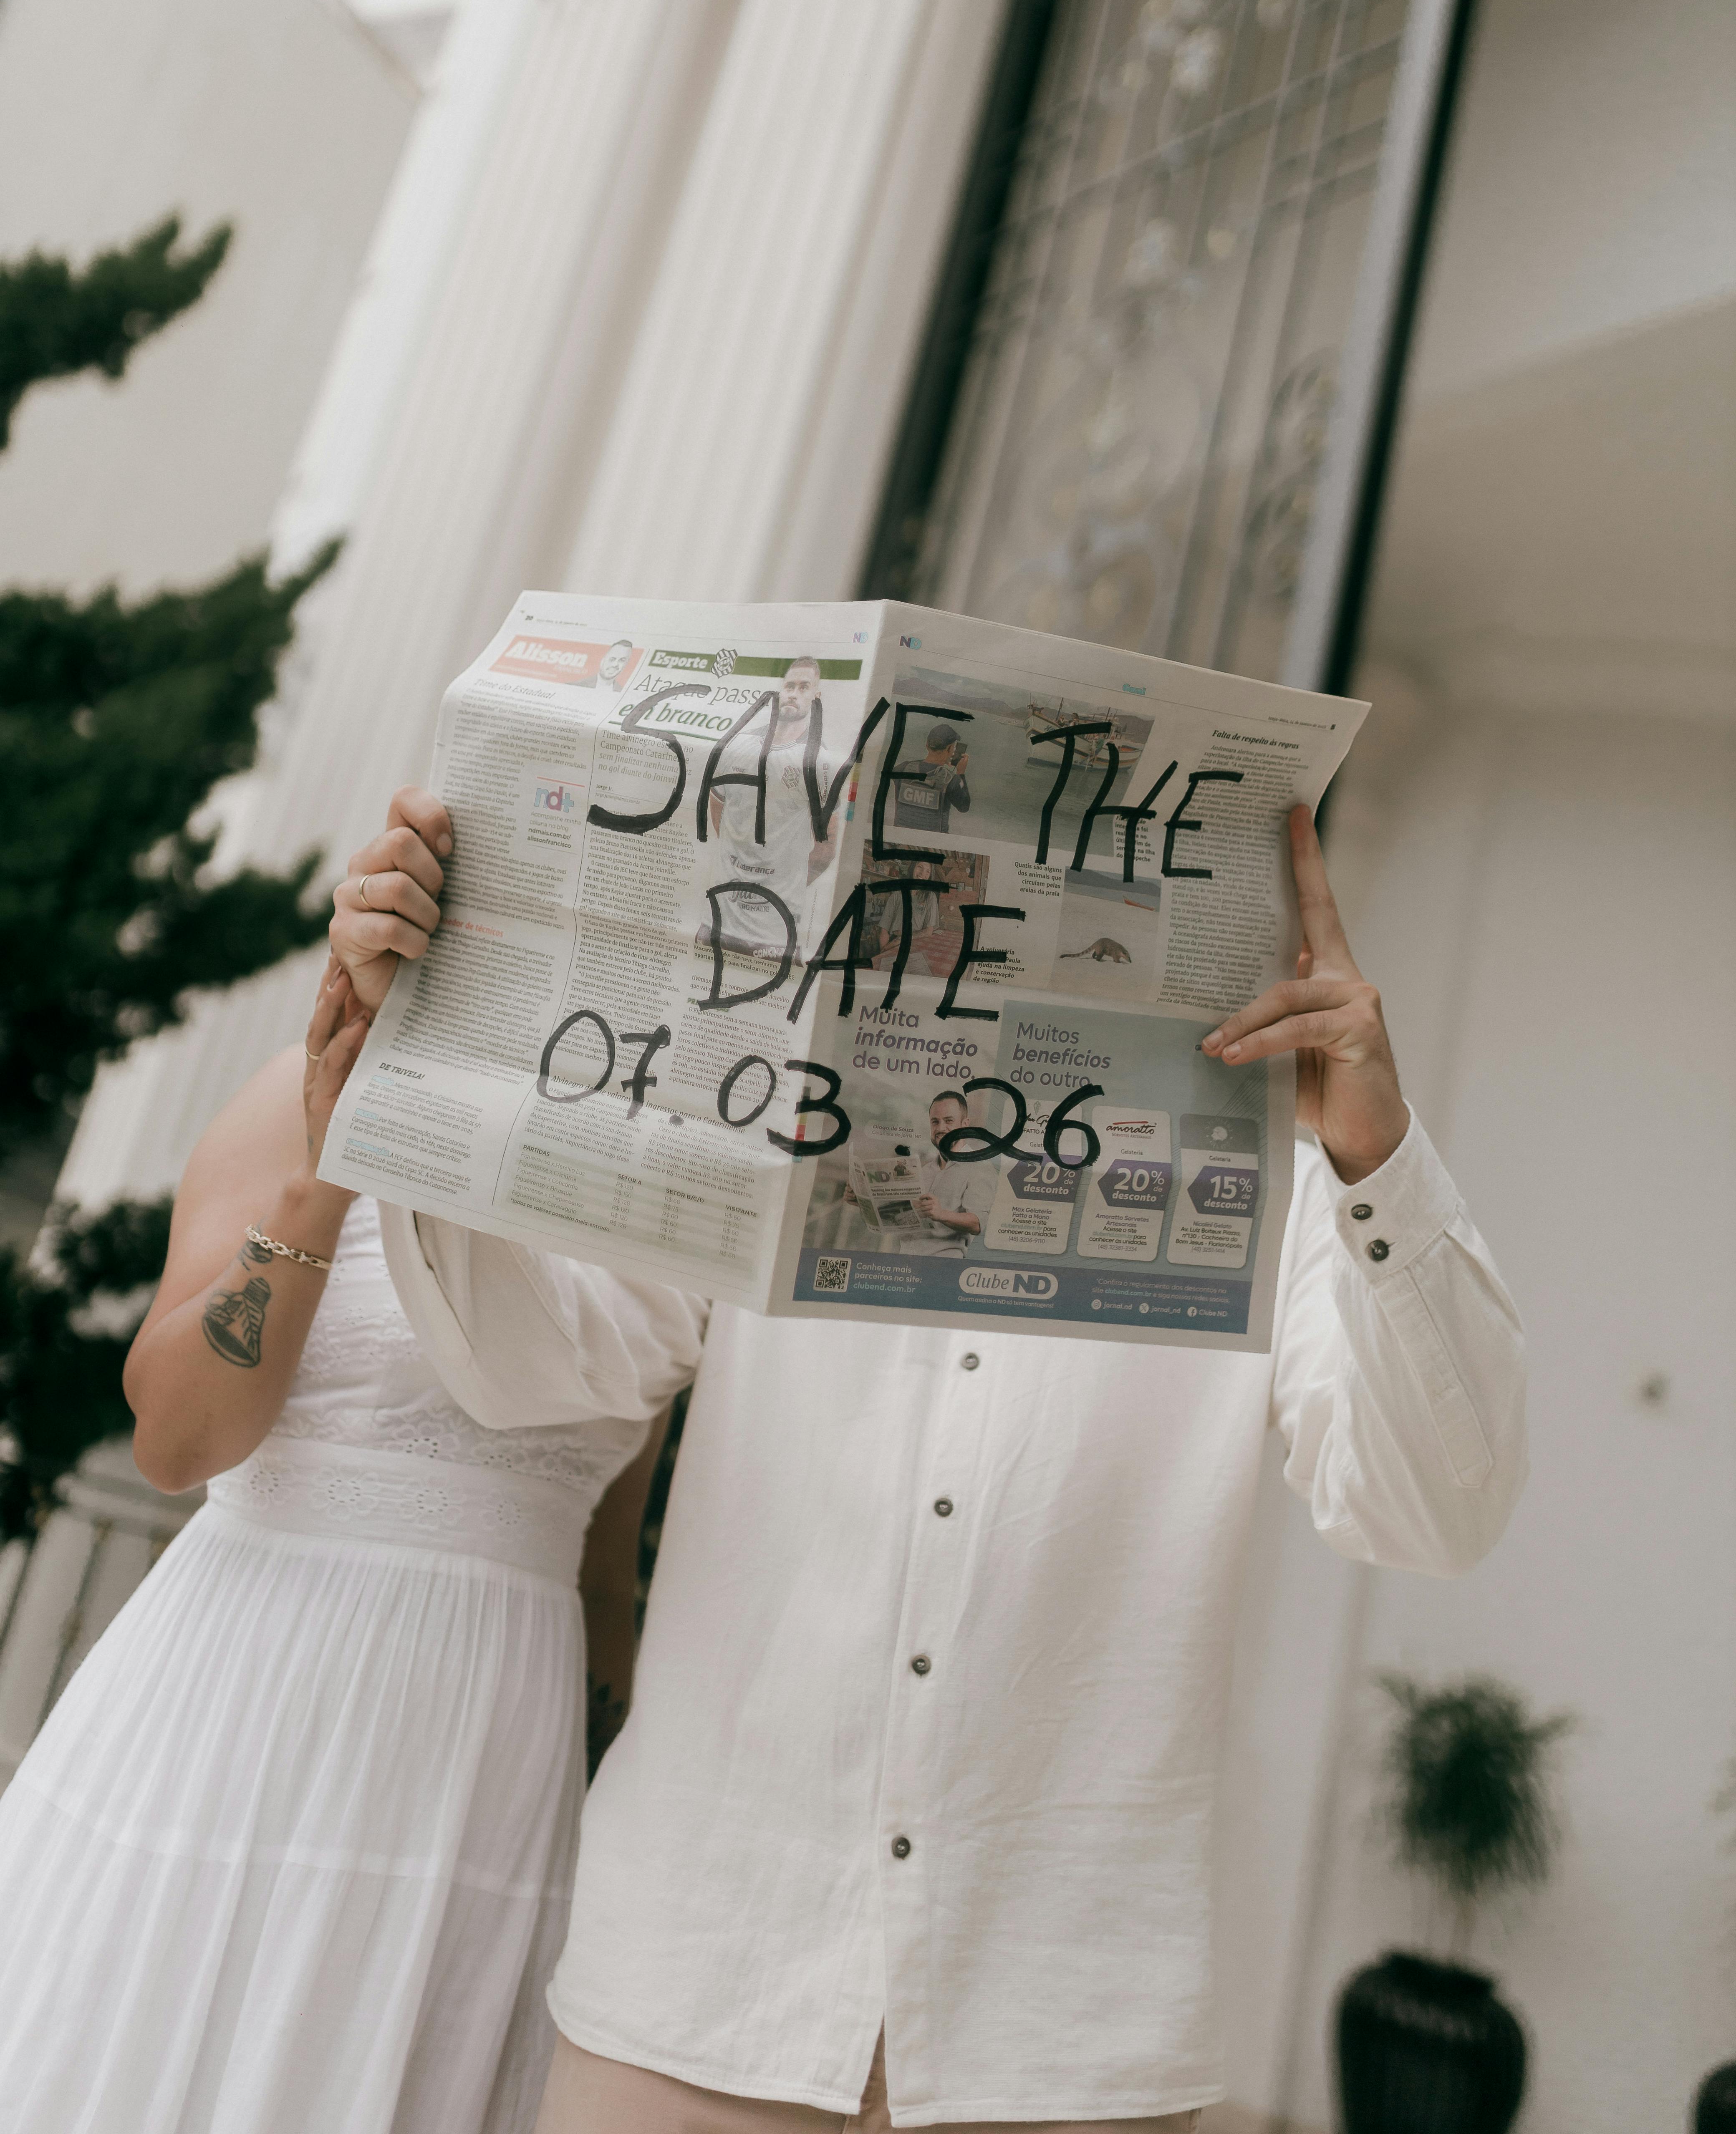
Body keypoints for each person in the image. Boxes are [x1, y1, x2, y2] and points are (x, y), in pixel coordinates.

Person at [336, 792, 1528, 2134]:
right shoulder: (755, 1112)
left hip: (1061, 2039)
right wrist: (428, 1045)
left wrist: (1380, 1160)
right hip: (694, 1994)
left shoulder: (1291, 1190)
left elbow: (1436, 1511)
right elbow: (533, 1361)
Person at [0, 813, 701, 2134]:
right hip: (242, 1710)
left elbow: (605, 1570)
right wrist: (332, 1165)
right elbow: (178, 1442)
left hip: (486, 1771)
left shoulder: (663, 1207)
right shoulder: (296, 1090)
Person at [707, 653, 838, 961]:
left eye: (804, 687)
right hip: (721, 917)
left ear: (816, 697)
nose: (794, 693)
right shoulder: (738, 745)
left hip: (777, 929)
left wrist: (784, 883)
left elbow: (826, 847)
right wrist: (739, 859)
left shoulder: (822, 761)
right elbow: (718, 806)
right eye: (789, 686)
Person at [900, 1090, 992, 1257]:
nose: (941, 1128)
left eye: (949, 1121)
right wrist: (862, 1202)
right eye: (935, 1122)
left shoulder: (979, 1167)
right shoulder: (923, 1171)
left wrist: (941, 1214)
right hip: (904, 1263)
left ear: (965, 1125)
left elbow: (978, 1223)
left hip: (941, 1267)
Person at [891, 720, 971, 841]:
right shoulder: (950, 780)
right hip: (932, 842)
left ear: (927, 745)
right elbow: (964, 807)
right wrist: (961, 773)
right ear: (950, 749)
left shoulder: (903, 768)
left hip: (900, 838)